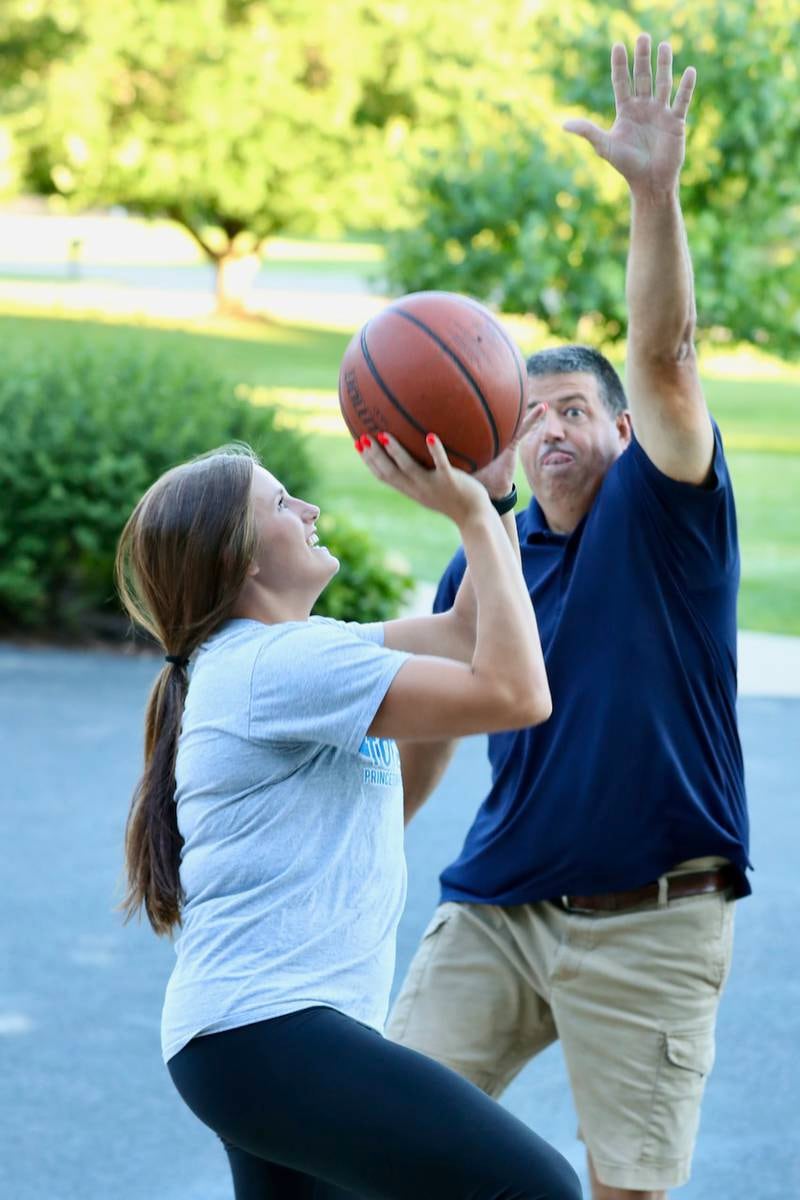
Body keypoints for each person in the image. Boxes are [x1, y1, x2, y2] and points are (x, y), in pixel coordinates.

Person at [387, 34, 749, 1200]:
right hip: (497, 909)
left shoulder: (665, 515)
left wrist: (652, 191)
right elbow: (426, 730)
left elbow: (663, 355)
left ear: (618, 430)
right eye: (527, 413)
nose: (549, 429)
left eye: (574, 411)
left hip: (648, 918)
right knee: (367, 1138)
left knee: (626, 1193)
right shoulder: (489, 554)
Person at [115, 430, 582, 1200]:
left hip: (245, 1044)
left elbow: (468, 634)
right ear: (244, 558)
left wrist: (495, 500)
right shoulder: (277, 666)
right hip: (269, 1035)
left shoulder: (294, 654)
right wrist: (469, 521)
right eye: (280, 502)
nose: (310, 508)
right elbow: (515, 694)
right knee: (538, 1190)